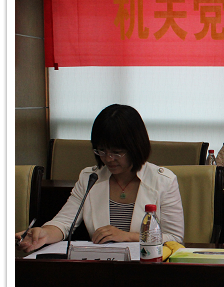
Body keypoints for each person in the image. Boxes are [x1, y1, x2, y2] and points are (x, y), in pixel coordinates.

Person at [16, 104, 184, 252]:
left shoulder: (164, 181)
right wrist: (43, 233)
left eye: (117, 152)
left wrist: (127, 236)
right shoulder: (90, 178)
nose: (108, 158)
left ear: (136, 147)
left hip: (145, 266)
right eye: (101, 151)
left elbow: (175, 238)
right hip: (100, 266)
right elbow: (64, 223)